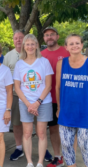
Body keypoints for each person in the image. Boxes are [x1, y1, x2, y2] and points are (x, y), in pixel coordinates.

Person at [56, 34, 88, 167]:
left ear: (82, 45)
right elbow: (58, 87)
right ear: (66, 47)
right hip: (67, 111)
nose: (74, 46)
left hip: (87, 110)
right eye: (71, 44)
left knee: (84, 144)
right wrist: (59, 108)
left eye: (77, 43)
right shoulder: (61, 63)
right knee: (66, 144)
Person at [13, 34, 53, 167]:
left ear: (36, 46)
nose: (30, 47)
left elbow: (48, 85)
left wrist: (37, 103)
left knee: (41, 133)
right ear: (24, 46)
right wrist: (28, 104)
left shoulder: (44, 62)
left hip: (43, 102)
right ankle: (29, 162)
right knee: (27, 133)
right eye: (27, 44)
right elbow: (17, 87)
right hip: (25, 103)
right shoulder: (19, 64)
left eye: (32, 44)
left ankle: (40, 162)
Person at [41, 27, 71, 166]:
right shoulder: (41, 55)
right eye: (46, 35)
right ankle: (58, 157)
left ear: (57, 36)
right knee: (53, 129)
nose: (49, 37)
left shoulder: (67, 53)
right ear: (44, 38)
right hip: (48, 98)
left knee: (70, 129)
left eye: (52, 34)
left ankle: (71, 158)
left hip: (66, 97)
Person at [3, 30, 25, 161]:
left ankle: (43, 149)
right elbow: (4, 75)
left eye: (20, 38)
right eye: (16, 38)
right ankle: (19, 148)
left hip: (30, 95)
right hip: (15, 95)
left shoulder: (30, 53)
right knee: (16, 123)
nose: (18, 40)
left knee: (37, 123)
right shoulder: (8, 56)